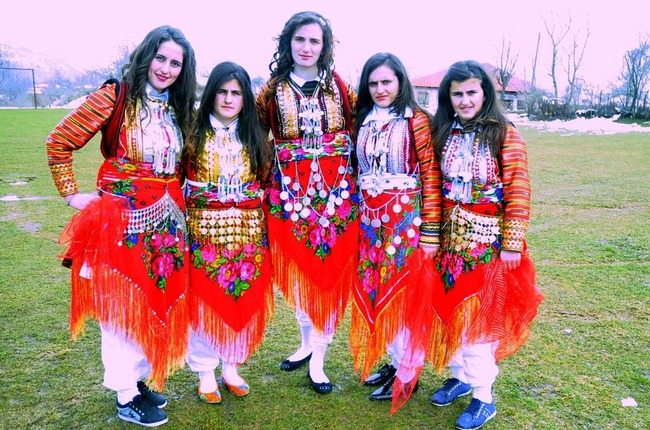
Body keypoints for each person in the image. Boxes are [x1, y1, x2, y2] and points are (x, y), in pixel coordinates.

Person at [45, 25, 197, 427]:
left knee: (153, 301)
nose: (165, 69)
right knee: (120, 305)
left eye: (175, 63)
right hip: (120, 221)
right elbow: (59, 140)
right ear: (145, 56)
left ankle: (136, 380)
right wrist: (71, 194)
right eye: (160, 58)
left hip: (166, 225)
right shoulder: (115, 95)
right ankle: (125, 395)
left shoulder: (178, 108)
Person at [421, 60, 544, 429]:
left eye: (471, 92)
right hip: (448, 246)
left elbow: (518, 189)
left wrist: (512, 243)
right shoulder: (443, 132)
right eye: (457, 94)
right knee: (450, 314)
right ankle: (461, 376)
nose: (465, 100)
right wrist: (431, 236)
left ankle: (483, 398)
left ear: (486, 93)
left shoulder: (505, 134)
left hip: (488, 245)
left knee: (478, 321)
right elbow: (433, 188)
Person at [255, 11, 358, 394]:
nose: (307, 47)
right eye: (300, 39)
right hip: (288, 196)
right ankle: (305, 343)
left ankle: (319, 358)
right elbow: (254, 136)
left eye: (315, 41)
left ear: (325, 46)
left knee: (327, 277)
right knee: (299, 276)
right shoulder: (271, 91)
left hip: (337, 199)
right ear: (287, 43)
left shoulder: (341, 87)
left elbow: (364, 126)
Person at [347, 53, 441, 404]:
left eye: (386, 82)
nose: (380, 89)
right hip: (370, 225)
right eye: (373, 83)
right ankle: (396, 360)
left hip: (405, 223)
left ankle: (409, 370)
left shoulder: (417, 121)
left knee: (403, 295)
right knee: (377, 292)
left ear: (401, 82)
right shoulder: (363, 120)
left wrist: (430, 232)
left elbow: (431, 176)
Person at [182, 61, 273, 404]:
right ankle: (205, 372)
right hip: (202, 233)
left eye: (236, 92)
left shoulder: (255, 136)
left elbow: (264, 180)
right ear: (211, 93)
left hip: (247, 235)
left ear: (245, 98)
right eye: (222, 91)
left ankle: (232, 367)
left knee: (241, 299)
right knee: (204, 303)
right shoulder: (192, 132)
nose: (228, 99)